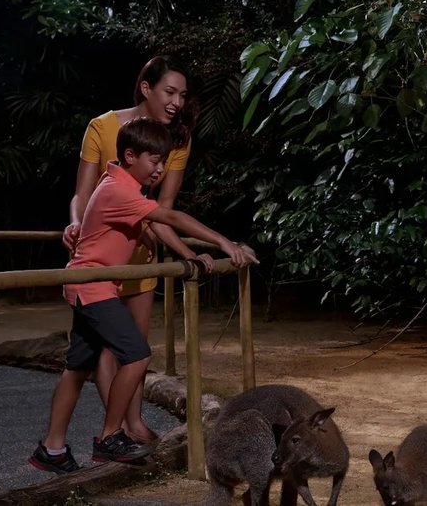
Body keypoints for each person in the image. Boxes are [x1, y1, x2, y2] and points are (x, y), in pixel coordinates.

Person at [30, 117, 257, 473]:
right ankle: (109, 438)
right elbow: (171, 217)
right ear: (130, 155)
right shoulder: (118, 190)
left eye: (164, 161)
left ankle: (51, 449)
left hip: (89, 285)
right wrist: (224, 243)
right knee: (137, 355)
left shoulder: (124, 186)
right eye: (155, 160)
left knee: (77, 369)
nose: (160, 169)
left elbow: (154, 223)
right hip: (93, 286)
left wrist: (190, 255)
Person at [63, 55, 195, 444]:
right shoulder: (101, 126)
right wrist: (75, 223)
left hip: (141, 254)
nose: (177, 103)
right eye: (170, 92)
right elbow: (82, 194)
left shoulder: (178, 139)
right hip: (99, 255)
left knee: (135, 346)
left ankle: (132, 424)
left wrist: (182, 250)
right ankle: (116, 429)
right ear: (146, 88)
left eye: (183, 95)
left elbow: (163, 207)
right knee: (104, 346)